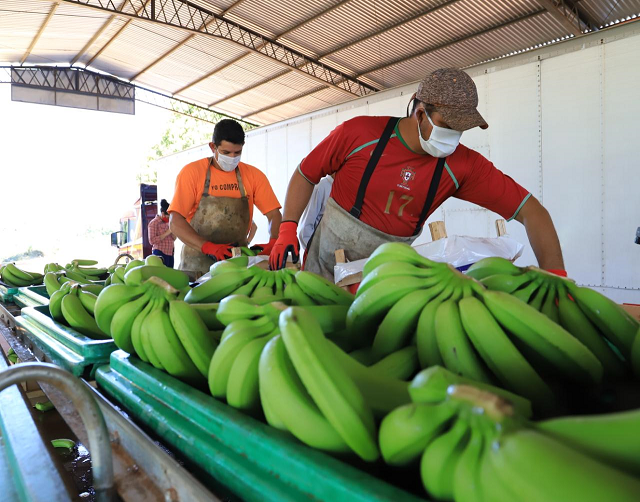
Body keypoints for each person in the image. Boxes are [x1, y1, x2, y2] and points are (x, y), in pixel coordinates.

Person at [270, 68, 565, 279]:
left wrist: (557, 278)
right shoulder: (359, 134)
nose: (453, 136)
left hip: (388, 284)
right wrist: (287, 229)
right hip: (323, 272)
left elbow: (533, 212)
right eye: (447, 125)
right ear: (420, 112)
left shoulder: (461, 165)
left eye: (460, 129)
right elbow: (306, 174)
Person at [168, 119, 282, 280]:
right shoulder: (192, 173)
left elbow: (274, 215)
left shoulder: (253, 175)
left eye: (237, 153)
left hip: (237, 266)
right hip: (196, 267)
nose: (232, 158)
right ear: (212, 147)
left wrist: (275, 240)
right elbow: (175, 221)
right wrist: (208, 247)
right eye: (226, 153)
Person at [298, 174, 334, 251]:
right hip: (317, 252)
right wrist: (313, 253)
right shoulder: (321, 187)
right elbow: (305, 229)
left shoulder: (345, 188)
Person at [148, 199, 176, 268]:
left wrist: (173, 231)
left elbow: (174, 238)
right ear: (163, 213)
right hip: (159, 253)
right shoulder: (154, 223)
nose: (169, 219)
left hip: (170, 254)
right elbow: (152, 241)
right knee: (161, 276)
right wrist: (167, 233)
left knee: (169, 276)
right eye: (168, 217)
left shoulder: (169, 223)